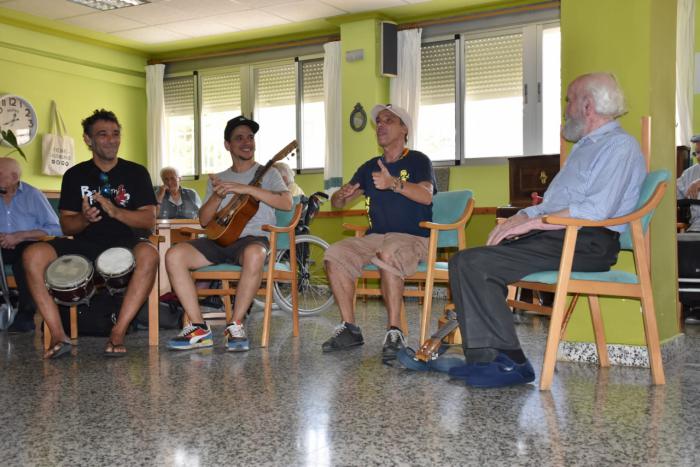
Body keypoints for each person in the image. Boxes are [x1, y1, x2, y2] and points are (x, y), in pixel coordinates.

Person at [445, 73, 646, 388]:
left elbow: (596, 210)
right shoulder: (583, 148)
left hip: (589, 241)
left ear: (588, 105)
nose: (566, 108)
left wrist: (535, 223)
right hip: (560, 236)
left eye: (569, 100)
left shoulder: (620, 147)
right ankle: (486, 361)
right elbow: (552, 204)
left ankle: (512, 362)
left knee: (476, 264)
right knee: (465, 261)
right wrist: (520, 217)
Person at [23, 109, 159, 358]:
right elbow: (67, 226)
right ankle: (58, 334)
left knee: (149, 255)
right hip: (86, 245)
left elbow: (149, 220)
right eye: (103, 134)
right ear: (88, 140)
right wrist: (84, 219)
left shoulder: (136, 172)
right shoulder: (75, 175)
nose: (111, 140)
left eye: (116, 134)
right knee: (33, 254)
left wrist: (116, 212)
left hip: (126, 243)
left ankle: (118, 331)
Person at [321, 104, 437, 364]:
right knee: (334, 254)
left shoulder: (418, 160)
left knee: (389, 250)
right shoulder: (369, 167)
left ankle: (395, 332)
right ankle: (349, 328)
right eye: (379, 122)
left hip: (413, 237)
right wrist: (340, 196)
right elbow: (338, 204)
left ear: (404, 129)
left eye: (389, 120)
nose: (381, 125)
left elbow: (426, 195)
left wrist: (393, 183)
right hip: (375, 237)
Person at [166, 116, 291, 352]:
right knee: (174, 255)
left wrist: (247, 188)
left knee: (255, 253)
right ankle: (199, 328)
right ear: (227, 145)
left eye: (251, 137)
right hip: (219, 239)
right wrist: (218, 195)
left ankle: (235, 324)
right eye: (239, 138)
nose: (247, 142)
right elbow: (204, 221)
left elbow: (286, 203)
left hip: (253, 241)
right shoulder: (218, 178)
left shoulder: (269, 173)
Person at [0, 158, 62, 333]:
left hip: (28, 244)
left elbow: (56, 229)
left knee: (26, 260)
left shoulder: (33, 195)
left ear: (13, 177)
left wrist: (20, 236)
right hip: (1, 246)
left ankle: (26, 316)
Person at [677, 136, 700, 232]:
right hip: (696, 229)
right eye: (697, 153)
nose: (699, 157)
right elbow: (670, 193)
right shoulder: (690, 173)